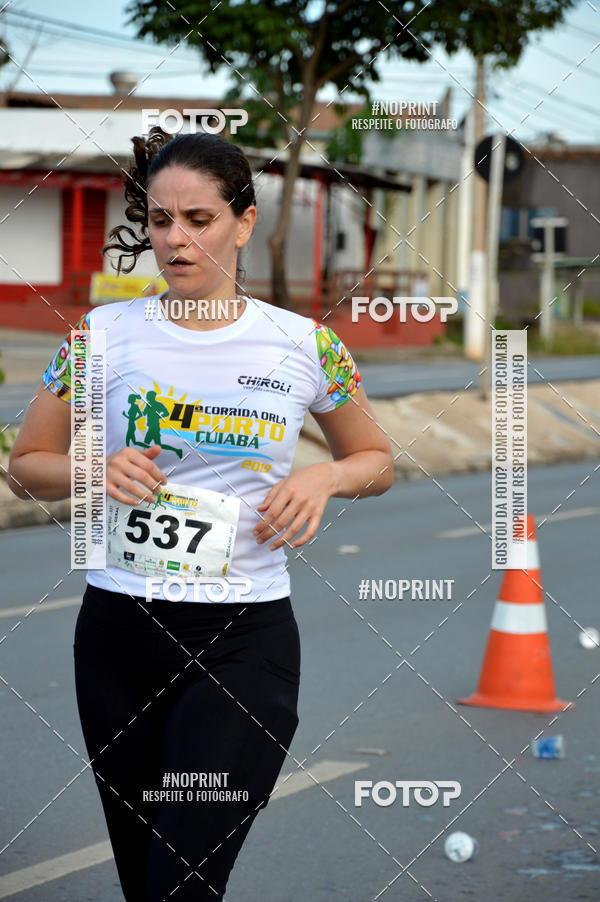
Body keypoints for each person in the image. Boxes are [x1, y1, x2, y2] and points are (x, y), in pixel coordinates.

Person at [8, 127, 394, 902]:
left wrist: (325, 478)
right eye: (160, 220)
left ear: (244, 222)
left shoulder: (306, 345)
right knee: (146, 883)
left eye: (199, 219)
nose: (175, 239)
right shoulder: (100, 336)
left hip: (243, 642)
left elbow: (378, 460)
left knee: (181, 883)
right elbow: (25, 468)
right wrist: (92, 469)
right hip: (118, 637)